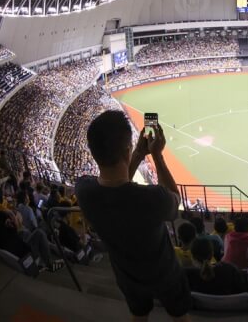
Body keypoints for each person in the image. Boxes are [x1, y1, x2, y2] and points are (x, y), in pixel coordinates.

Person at [75, 111, 192, 321]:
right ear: (127, 149)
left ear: (93, 153)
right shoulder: (152, 199)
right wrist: (156, 155)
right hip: (165, 274)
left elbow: (115, 191)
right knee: (179, 314)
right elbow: (174, 199)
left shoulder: (83, 190)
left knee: (138, 315)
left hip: (126, 275)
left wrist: (138, 153)